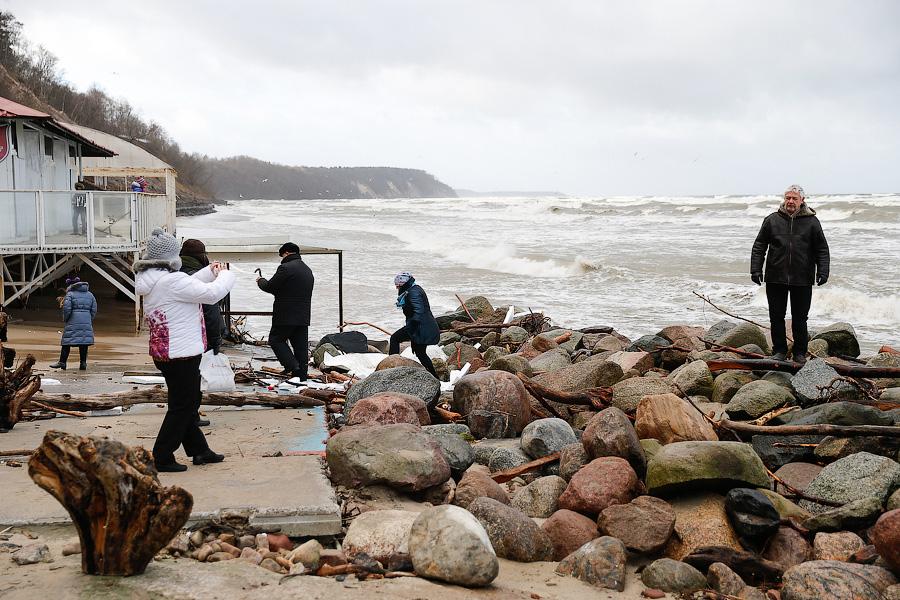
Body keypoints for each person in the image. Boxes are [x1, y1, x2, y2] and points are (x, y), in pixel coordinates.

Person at [134, 228, 235, 472]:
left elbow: (187, 285)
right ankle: (162, 456)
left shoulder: (154, 278)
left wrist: (210, 272)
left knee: (185, 403)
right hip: (181, 353)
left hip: (166, 351)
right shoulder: (171, 280)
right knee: (183, 406)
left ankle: (200, 451)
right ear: (172, 256)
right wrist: (225, 276)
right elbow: (211, 295)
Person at [750, 185, 830, 364]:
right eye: (788, 198)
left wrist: (823, 271)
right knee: (776, 316)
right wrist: (756, 269)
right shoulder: (772, 220)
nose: (790, 201)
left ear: (802, 200)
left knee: (800, 318)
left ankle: (800, 353)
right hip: (775, 277)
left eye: (794, 198)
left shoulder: (812, 222)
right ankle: (779, 351)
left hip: (802, 278)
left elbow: (822, 249)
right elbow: (759, 246)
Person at [180, 238, 226, 428]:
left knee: (182, 382)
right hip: (197, 338)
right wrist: (216, 339)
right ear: (202, 256)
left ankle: (187, 416)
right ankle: (191, 416)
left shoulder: (174, 274)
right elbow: (211, 313)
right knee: (194, 380)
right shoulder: (199, 279)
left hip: (176, 338)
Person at [256, 242, 315, 379]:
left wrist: (260, 280)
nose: (282, 258)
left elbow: (270, 287)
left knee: (276, 340)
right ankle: (301, 377)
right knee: (300, 347)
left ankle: (291, 365)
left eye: (282, 255)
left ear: (287, 253)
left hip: (285, 315)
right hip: (303, 315)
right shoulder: (307, 270)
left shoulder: (285, 268)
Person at [389, 272, 440, 377]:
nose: (396, 288)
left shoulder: (413, 292)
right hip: (423, 327)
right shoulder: (413, 289)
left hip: (420, 327)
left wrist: (412, 331)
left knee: (394, 338)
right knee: (420, 353)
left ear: (403, 284)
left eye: (397, 285)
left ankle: (391, 368)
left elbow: (418, 311)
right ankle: (435, 377)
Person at [49, 276, 97, 371]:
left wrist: (66, 319)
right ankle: (83, 363)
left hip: (72, 321)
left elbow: (67, 309)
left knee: (66, 342)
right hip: (86, 321)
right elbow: (94, 310)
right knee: (84, 343)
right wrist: (88, 319)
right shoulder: (90, 295)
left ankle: (62, 362)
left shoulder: (70, 295)